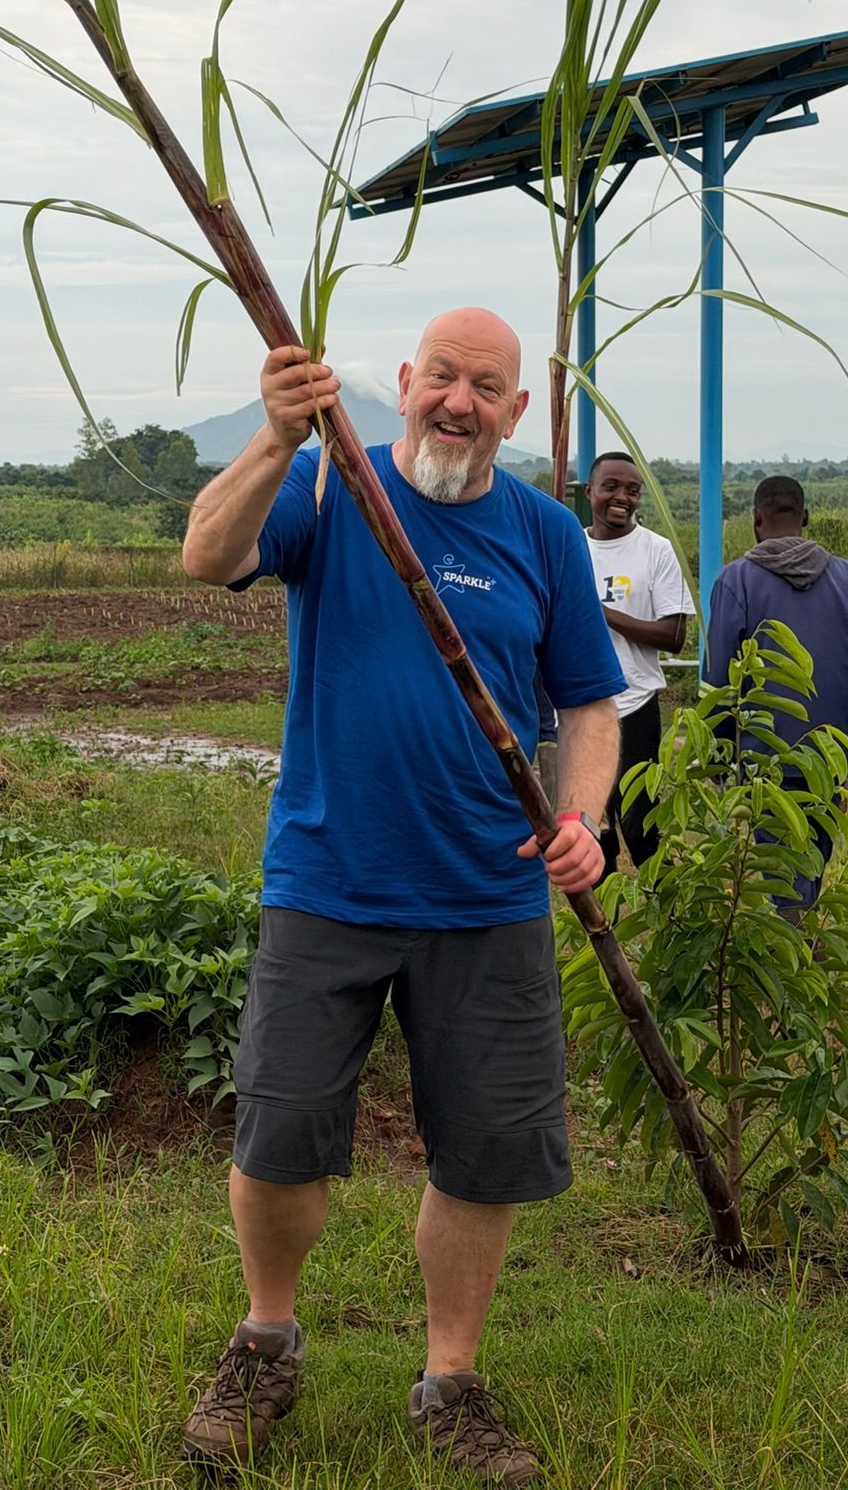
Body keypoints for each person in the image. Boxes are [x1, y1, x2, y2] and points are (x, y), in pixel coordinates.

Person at [179, 309, 622, 1482]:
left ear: (516, 412)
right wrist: (275, 437)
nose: (458, 402)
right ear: (405, 384)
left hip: (489, 892)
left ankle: (451, 1380)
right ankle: (265, 1337)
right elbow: (206, 552)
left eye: (487, 385)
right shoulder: (334, 489)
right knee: (279, 1134)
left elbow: (588, 706)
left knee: (488, 1148)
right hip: (330, 878)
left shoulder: (546, 534)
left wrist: (581, 819)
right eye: (441, 377)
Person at [703, 475, 848, 913]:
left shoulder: (736, 582)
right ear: (805, 518)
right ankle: (798, 943)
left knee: (780, 863)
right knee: (811, 854)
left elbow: (719, 683)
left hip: (765, 754)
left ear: (756, 519)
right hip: (829, 752)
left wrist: (716, 753)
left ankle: (792, 953)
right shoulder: (846, 579)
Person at [580, 451, 693, 875]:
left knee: (639, 822)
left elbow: (674, 636)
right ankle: (603, 931)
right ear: (589, 490)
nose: (621, 498)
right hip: (582, 707)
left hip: (636, 705)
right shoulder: (570, 547)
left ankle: (670, 924)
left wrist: (600, 612)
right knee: (595, 826)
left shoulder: (656, 550)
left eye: (632, 490)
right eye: (611, 486)